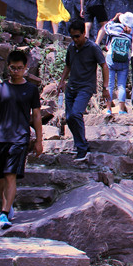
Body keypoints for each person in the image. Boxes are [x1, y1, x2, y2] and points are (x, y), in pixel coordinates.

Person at [0, 50, 42, 229]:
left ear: (26, 68)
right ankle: (8, 203)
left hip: (19, 138)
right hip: (0, 137)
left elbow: (36, 116)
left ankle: (4, 214)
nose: (16, 71)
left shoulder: (31, 90)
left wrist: (39, 140)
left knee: (10, 175)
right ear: (8, 66)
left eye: (20, 68)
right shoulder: (0, 88)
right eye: (13, 68)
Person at [57, 18, 110, 162]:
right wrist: (62, 81)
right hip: (71, 87)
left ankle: (81, 148)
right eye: (72, 36)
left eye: (77, 36)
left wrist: (105, 88)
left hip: (86, 87)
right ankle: (81, 144)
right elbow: (68, 65)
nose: (75, 39)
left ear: (84, 34)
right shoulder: (71, 48)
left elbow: (104, 66)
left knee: (75, 114)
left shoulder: (93, 47)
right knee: (69, 118)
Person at [102, 12, 133, 114]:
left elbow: (105, 27)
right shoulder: (131, 32)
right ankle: (121, 110)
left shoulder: (114, 27)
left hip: (111, 58)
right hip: (124, 59)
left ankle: (108, 109)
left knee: (110, 85)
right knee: (121, 85)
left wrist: (115, 18)